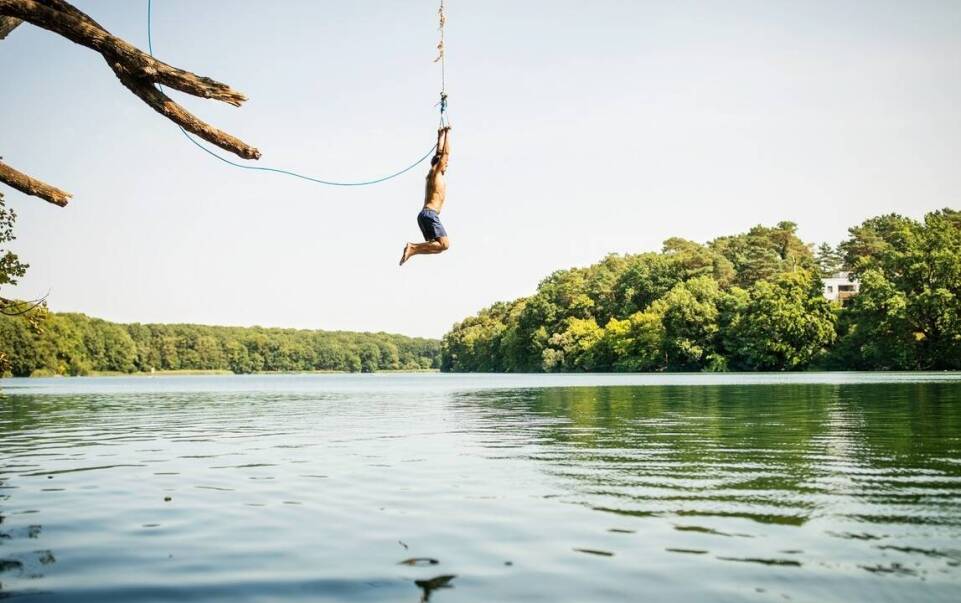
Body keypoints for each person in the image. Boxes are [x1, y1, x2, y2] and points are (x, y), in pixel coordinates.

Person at [400, 126, 451, 266]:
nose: (446, 165)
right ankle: (413, 248)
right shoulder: (436, 172)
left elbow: (440, 153)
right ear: (440, 163)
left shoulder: (432, 174)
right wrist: (448, 133)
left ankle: (413, 250)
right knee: (444, 244)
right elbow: (445, 154)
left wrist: (440, 135)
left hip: (425, 214)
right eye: (445, 163)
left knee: (438, 247)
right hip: (430, 214)